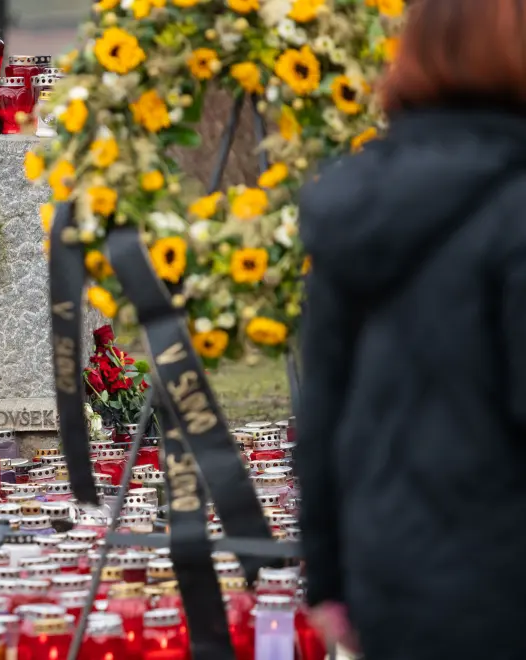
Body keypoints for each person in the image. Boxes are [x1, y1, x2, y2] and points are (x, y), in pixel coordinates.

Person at [296, 1, 526, 659]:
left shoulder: (365, 201)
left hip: (392, 579)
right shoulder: (514, 206)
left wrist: (331, 582)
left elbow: (323, 410)